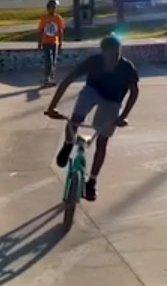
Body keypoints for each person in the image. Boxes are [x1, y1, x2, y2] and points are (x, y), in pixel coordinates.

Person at [44, 35, 140, 201]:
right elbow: (68, 80)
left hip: (112, 102)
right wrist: (52, 107)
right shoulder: (94, 62)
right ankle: (67, 145)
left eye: (117, 54)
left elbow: (134, 92)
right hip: (92, 92)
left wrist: (123, 117)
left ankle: (92, 182)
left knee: (102, 141)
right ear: (103, 53)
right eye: (111, 55)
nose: (114, 60)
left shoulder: (126, 67)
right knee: (75, 118)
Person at [36, 0, 65, 85]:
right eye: (52, 7)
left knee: (54, 61)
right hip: (46, 42)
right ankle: (46, 77)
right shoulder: (44, 18)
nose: (54, 9)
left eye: (55, 7)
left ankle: (51, 77)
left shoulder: (58, 18)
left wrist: (60, 43)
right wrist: (39, 43)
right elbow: (40, 30)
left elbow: (61, 31)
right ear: (48, 8)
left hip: (55, 42)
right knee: (49, 60)